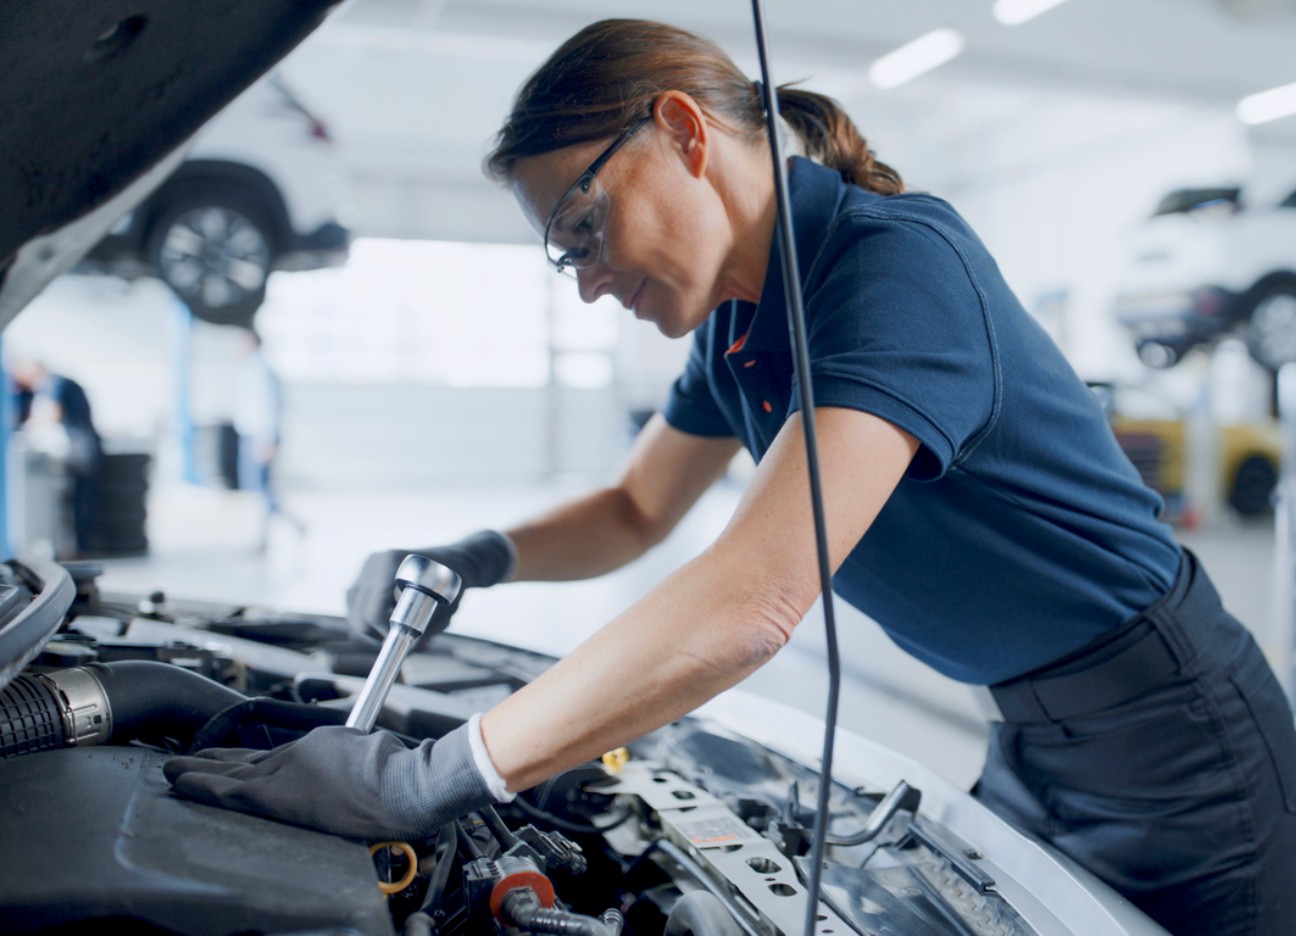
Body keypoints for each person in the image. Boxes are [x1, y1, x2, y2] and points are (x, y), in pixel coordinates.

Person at [164, 19, 1296, 935]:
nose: (590, 284)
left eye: (584, 227)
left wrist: (430, 779)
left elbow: (753, 604)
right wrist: (478, 557)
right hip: (1030, 736)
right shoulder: (738, 324)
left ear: (681, 132)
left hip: (1182, 749)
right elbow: (633, 509)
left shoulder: (891, 267)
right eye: (565, 256)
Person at [10, 358, 102, 554]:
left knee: (80, 501)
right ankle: (79, 546)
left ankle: (82, 547)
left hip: (80, 450)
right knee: (76, 501)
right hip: (80, 447)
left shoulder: (55, 383)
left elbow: (53, 413)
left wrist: (26, 425)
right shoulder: (52, 385)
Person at [232, 329, 303, 551]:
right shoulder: (251, 369)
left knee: (260, 490)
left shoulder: (261, 371)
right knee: (257, 489)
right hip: (253, 435)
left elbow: (269, 406)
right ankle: (285, 529)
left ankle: (287, 528)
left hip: (260, 437)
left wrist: (267, 439)